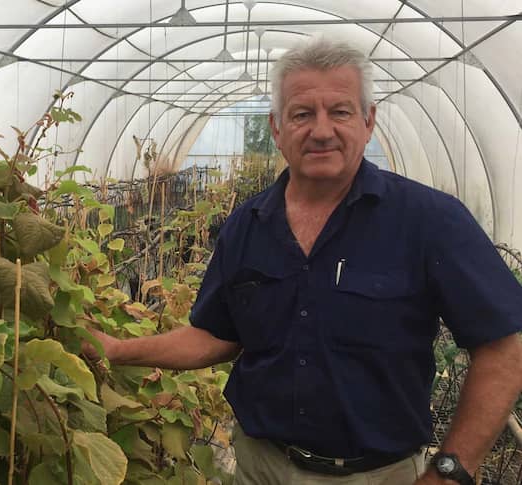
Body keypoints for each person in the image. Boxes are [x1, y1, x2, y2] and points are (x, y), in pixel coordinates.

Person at [85, 37, 522, 485]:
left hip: (376, 476)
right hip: (260, 467)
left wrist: (450, 472)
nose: (321, 130)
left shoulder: (429, 220)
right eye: (302, 114)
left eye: (340, 111)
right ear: (277, 129)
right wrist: (117, 350)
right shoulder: (247, 225)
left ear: (368, 121)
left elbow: (504, 349)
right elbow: (216, 336)